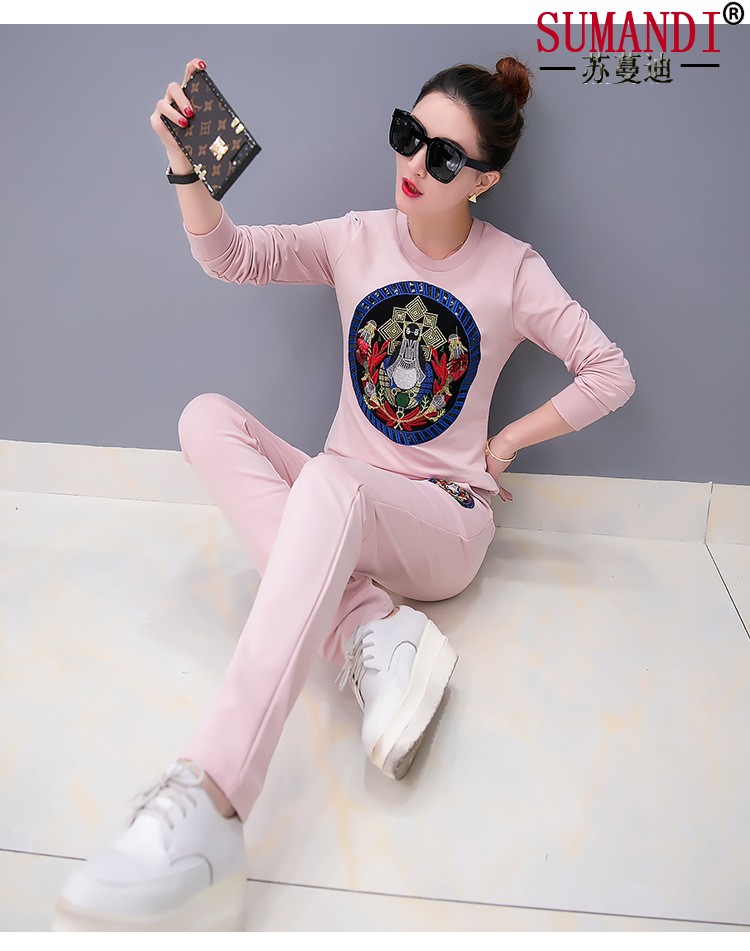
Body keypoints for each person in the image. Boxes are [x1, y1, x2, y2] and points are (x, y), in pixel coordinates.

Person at [54, 54, 635, 931]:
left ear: (484, 180)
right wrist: (185, 163)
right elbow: (230, 256)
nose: (414, 163)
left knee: (329, 481)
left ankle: (212, 798)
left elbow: (609, 371)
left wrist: (507, 443)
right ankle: (371, 628)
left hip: (442, 521)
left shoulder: (514, 270)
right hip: (341, 502)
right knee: (205, 418)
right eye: (409, 135)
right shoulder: (357, 236)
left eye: (444, 156)